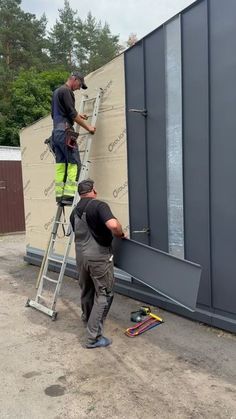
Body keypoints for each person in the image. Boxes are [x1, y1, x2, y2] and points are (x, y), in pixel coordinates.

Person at [70, 179, 126, 349]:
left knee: (87, 290)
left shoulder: (74, 211)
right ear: (93, 191)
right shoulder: (98, 205)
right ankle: (93, 337)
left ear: (80, 194)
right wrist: (120, 233)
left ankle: (88, 320)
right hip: (98, 257)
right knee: (104, 294)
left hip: (81, 257)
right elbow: (113, 224)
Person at [51, 71, 96, 205]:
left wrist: (78, 115)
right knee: (74, 164)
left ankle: (60, 196)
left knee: (61, 165)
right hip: (65, 132)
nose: (78, 88)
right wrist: (88, 127)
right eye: (79, 85)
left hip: (56, 133)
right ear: (74, 79)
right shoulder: (67, 91)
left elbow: (57, 114)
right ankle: (70, 197)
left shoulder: (57, 92)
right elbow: (71, 114)